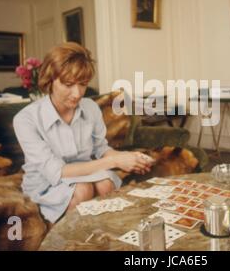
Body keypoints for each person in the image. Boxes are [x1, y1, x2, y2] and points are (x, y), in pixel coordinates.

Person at [13, 42, 153, 223]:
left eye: (83, 84)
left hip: (86, 172)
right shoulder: (26, 119)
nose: (77, 93)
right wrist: (115, 161)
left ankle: (103, 238)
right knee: (82, 189)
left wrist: (128, 157)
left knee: (106, 184)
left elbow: (101, 148)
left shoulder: (90, 107)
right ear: (50, 80)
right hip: (47, 182)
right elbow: (57, 172)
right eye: (68, 84)